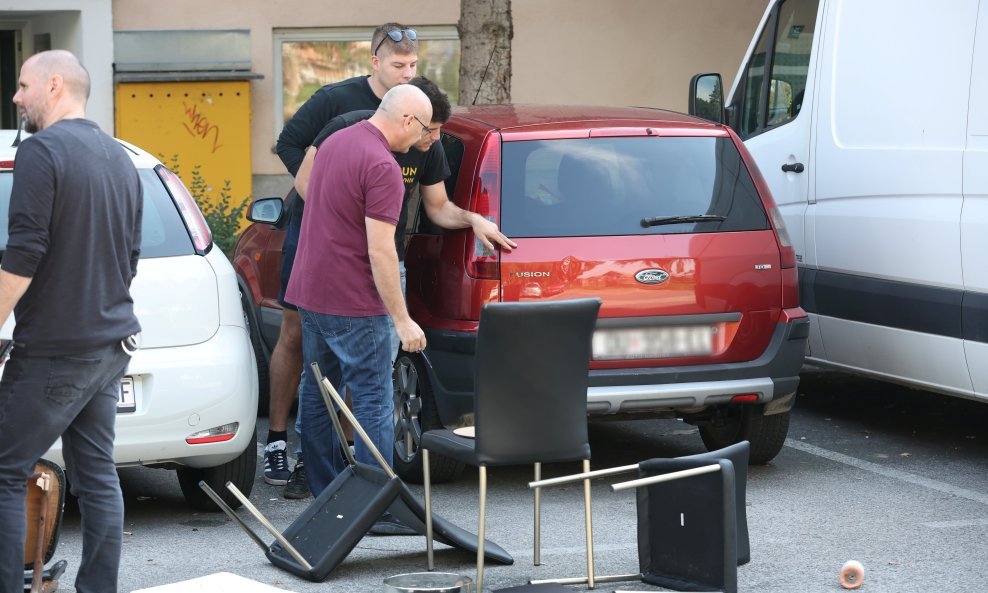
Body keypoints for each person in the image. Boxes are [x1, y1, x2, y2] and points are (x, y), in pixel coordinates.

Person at [0, 50, 143, 593]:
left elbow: (24, 251)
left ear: (54, 85)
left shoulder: (42, 152)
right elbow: (129, 256)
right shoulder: (118, 155)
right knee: (98, 474)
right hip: (111, 345)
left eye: (21, 86)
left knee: (5, 473)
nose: (16, 98)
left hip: (57, 350)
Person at [263, 23, 419, 498]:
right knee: (331, 366)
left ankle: (332, 474)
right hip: (324, 251)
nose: (407, 74)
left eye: (414, 66)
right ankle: (287, 447)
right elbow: (289, 144)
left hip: (342, 269)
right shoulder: (338, 105)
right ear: (375, 61)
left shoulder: (386, 128)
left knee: (332, 378)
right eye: (398, 65)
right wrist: (321, 195)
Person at [285, 84, 430, 533]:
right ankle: (375, 507)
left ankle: (327, 492)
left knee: (317, 391)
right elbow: (382, 251)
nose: (425, 140)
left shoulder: (334, 142)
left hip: (311, 292)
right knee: (372, 399)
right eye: (424, 129)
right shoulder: (384, 165)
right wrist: (402, 319)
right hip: (354, 302)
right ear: (407, 120)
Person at [294, 76, 516, 360]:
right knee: (341, 375)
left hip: (388, 261)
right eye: (431, 129)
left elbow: (438, 207)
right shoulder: (347, 130)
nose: (436, 138)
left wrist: (473, 219)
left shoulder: (428, 147)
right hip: (339, 265)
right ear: (410, 120)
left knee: (375, 366)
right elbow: (306, 184)